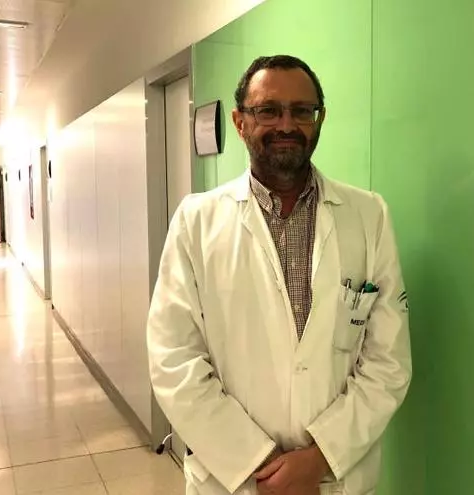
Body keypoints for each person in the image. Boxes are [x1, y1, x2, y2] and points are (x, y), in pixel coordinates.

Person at [147, 55, 412, 495]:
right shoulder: (196, 222)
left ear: (319, 119)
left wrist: (319, 458)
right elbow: (174, 360)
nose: (286, 124)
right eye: (268, 110)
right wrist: (262, 463)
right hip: (235, 480)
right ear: (240, 122)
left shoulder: (369, 216)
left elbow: (388, 361)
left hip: (333, 477)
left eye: (302, 111)